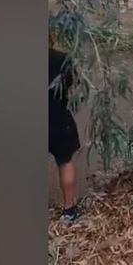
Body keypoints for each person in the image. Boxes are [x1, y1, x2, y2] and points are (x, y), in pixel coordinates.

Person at [49, 37, 81, 222]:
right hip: (59, 120)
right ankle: (69, 209)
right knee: (65, 161)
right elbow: (72, 83)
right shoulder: (62, 59)